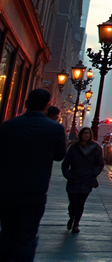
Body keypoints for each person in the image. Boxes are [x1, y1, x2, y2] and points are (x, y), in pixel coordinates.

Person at [0, 88, 67, 261]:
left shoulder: (9, 126)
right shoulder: (55, 128)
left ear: (26, 103)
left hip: (7, 188)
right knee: (27, 234)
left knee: (7, 232)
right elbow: (60, 155)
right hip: (35, 190)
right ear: (47, 106)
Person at [61, 127, 105, 233]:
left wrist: (93, 174)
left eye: (88, 133)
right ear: (81, 134)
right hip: (74, 179)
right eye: (85, 133)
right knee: (73, 203)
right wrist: (69, 175)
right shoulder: (74, 147)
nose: (86, 135)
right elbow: (65, 164)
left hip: (87, 179)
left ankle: (76, 223)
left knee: (80, 203)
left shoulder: (96, 148)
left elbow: (100, 163)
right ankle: (72, 217)